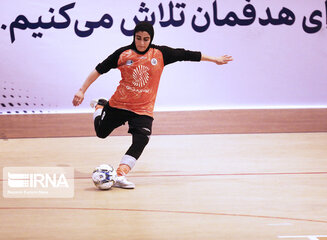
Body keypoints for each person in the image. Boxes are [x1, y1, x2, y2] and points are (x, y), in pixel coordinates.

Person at [72, 21, 233, 189]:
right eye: (138, 38)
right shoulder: (123, 54)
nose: (141, 43)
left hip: (143, 109)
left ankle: (120, 174)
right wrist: (81, 90)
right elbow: (99, 69)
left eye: (146, 39)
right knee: (101, 133)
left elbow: (186, 54)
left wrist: (215, 59)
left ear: (151, 39)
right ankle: (100, 107)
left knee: (142, 139)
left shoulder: (160, 54)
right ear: (133, 37)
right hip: (119, 104)